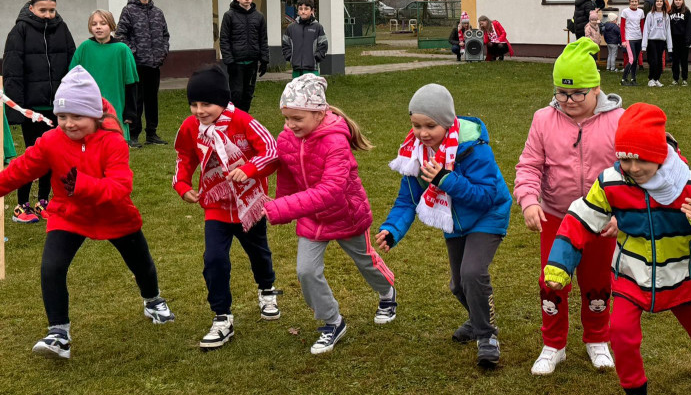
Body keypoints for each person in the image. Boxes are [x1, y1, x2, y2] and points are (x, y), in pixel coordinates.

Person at [544, 103, 691, 395]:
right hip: (632, 274)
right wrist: (560, 262)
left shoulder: (688, 183)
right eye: (625, 158)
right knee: (620, 332)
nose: (632, 167)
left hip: (680, 274)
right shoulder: (610, 182)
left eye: (641, 158)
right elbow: (580, 218)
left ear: (660, 154)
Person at [0, 67, 174, 359]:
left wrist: (82, 184)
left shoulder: (113, 141)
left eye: (77, 117)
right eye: (62, 117)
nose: (68, 124)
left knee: (141, 263)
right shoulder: (51, 141)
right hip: (69, 214)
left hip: (115, 213)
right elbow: (21, 170)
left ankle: (153, 300)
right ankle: (59, 333)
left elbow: (120, 186)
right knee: (51, 267)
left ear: (94, 115)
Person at [375, 84, 511, 369]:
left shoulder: (473, 148)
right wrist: (392, 229)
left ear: (448, 123)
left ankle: (487, 336)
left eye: (430, 126)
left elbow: (486, 196)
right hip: (454, 220)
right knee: (458, 284)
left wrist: (445, 179)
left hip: (488, 214)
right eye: (416, 125)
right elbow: (408, 198)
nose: (423, 133)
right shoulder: (416, 153)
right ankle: (477, 320)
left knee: (473, 272)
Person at [264, 75, 396, 355]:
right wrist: (283, 206)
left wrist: (281, 208)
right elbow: (287, 174)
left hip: (346, 213)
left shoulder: (336, 140)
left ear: (319, 112)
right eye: (286, 118)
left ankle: (387, 293)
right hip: (311, 216)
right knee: (306, 271)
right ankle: (332, 321)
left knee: (366, 261)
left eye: (297, 118)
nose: (290, 125)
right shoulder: (287, 137)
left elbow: (331, 191)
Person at [514, 39, 623, 376]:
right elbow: (529, 166)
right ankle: (554, 344)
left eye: (578, 93)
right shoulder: (544, 119)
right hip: (556, 218)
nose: (569, 101)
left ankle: (597, 338)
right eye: (562, 93)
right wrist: (530, 201)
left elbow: (632, 173)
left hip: (600, 221)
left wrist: (623, 214)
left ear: (596, 89)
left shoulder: (618, 120)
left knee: (598, 282)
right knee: (552, 281)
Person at [172, 65, 281, 350]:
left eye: (206, 104)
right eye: (194, 104)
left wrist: (249, 169)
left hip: (249, 203)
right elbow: (184, 155)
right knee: (214, 259)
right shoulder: (190, 127)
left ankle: (267, 289)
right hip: (216, 205)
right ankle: (222, 317)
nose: (199, 110)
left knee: (258, 252)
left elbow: (271, 152)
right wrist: (182, 185)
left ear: (222, 100)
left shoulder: (244, 121)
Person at [3, 0, 76, 224]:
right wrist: (18, 111)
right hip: (31, 109)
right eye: (43, 10)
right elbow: (12, 72)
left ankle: (43, 201)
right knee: (32, 156)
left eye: (52, 10)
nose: (48, 15)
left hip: (57, 107)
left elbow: (72, 64)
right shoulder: (19, 31)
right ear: (32, 8)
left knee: (53, 154)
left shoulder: (62, 29)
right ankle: (21, 205)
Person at [70, 10, 139, 141]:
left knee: (114, 142)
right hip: (89, 105)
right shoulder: (85, 47)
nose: (98, 27)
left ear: (112, 26)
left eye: (103, 23)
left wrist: (130, 112)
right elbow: (72, 79)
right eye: (94, 24)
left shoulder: (122, 50)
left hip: (116, 105)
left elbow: (131, 83)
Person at [116, 0, 169, 146]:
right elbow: (120, 36)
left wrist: (163, 51)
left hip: (154, 64)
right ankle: (133, 134)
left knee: (152, 100)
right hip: (137, 65)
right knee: (136, 100)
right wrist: (134, 52)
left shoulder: (157, 12)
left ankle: (152, 134)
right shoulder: (129, 11)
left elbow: (165, 35)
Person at [219, 0, 269, 113]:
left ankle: (244, 119)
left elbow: (263, 39)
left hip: (252, 61)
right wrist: (228, 60)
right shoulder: (229, 16)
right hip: (236, 62)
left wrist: (264, 60)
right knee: (236, 93)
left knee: (248, 93)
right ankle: (234, 118)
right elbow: (224, 39)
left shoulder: (259, 16)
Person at [282, 0, 328, 77]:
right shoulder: (291, 28)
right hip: (296, 69)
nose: (303, 11)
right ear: (298, 11)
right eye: (300, 9)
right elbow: (285, 44)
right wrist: (290, 57)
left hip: (312, 70)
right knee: (297, 89)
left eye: (306, 9)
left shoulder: (317, 27)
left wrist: (316, 57)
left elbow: (323, 45)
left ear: (312, 11)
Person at [641, 0, 671, 87]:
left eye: (661, 1)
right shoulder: (650, 14)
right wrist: (644, 45)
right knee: (653, 60)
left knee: (659, 61)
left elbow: (668, 30)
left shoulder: (666, 15)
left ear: (663, 3)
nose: (659, 3)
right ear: (655, 3)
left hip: (661, 41)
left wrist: (670, 47)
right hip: (652, 40)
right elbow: (646, 29)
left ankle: (656, 79)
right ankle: (651, 79)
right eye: (657, 1)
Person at [619, 0, 644, 86]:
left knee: (636, 60)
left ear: (638, 3)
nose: (634, 3)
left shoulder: (641, 12)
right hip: (629, 38)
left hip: (639, 38)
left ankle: (633, 79)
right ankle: (623, 79)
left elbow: (642, 26)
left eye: (635, 1)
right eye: (632, 1)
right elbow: (622, 27)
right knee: (631, 59)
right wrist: (623, 40)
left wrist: (643, 39)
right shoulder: (625, 11)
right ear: (629, 2)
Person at [668, 0, 691, 86]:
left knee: (684, 60)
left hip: (683, 39)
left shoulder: (686, 11)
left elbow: (689, 26)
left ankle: (685, 79)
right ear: (673, 1)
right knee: (675, 61)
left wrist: (688, 39)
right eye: (676, 0)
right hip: (673, 39)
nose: (678, 1)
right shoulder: (670, 12)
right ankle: (675, 78)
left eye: (679, 0)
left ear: (683, 1)